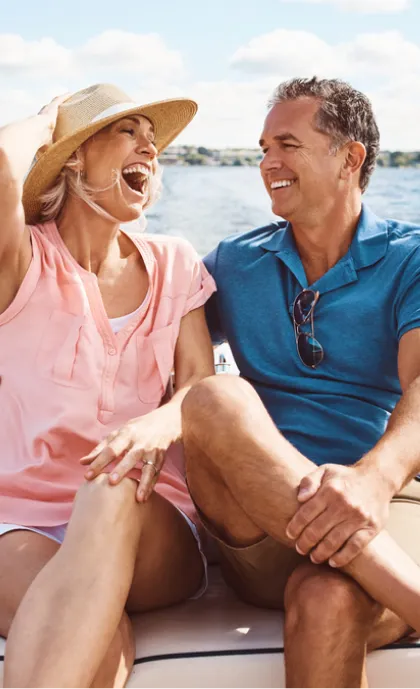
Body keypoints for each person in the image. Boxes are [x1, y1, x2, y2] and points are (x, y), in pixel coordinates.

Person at [182, 77, 420, 689]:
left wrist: (371, 481)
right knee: (213, 396)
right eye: (263, 147)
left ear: (351, 157)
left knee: (327, 601)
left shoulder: (409, 258)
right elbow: (147, 331)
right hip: (260, 531)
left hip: (385, 506)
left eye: (286, 144)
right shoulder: (234, 262)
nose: (267, 164)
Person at [0, 83, 216, 689]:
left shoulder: (176, 261)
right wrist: (47, 122)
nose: (149, 147)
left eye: (154, 141)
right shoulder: (21, 262)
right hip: (23, 518)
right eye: (128, 132)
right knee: (96, 632)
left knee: (112, 489)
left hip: (151, 512)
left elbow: (199, 382)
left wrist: (158, 422)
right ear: (74, 157)